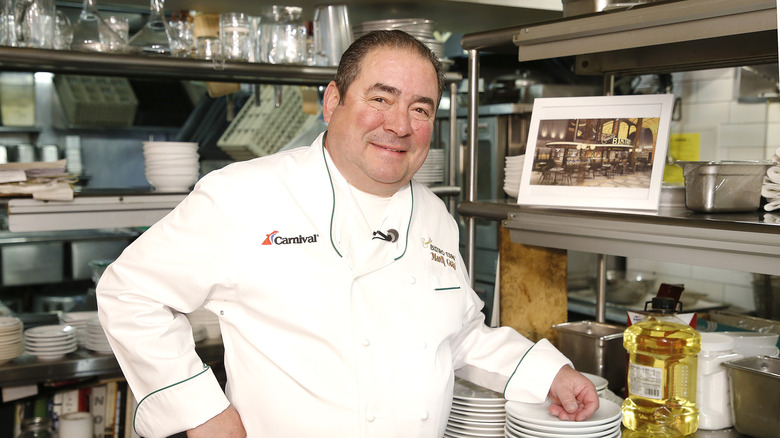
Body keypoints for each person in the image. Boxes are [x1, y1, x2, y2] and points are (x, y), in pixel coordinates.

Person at [97, 30, 599, 438]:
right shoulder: (244, 193)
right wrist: (202, 411)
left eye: (421, 109)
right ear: (333, 101)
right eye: (381, 99)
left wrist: (548, 374)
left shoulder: (434, 215)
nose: (399, 125)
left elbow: (459, 335)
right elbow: (129, 291)